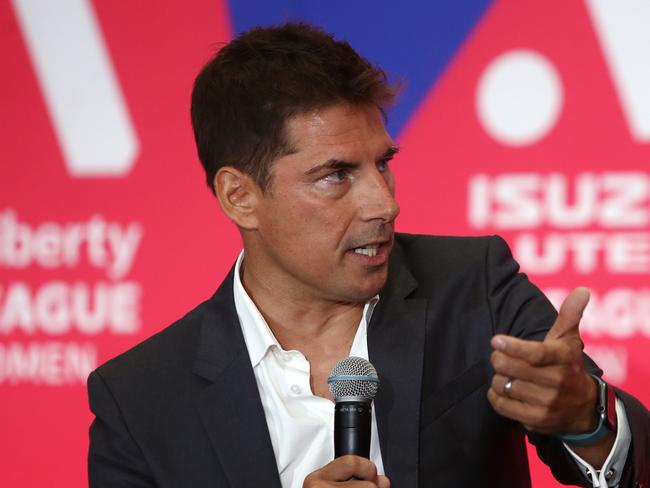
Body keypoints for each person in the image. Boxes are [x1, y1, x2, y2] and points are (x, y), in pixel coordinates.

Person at [87, 23, 649, 487]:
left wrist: (584, 416)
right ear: (241, 197)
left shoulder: (473, 287)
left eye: (382, 163)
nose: (384, 202)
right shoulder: (139, 398)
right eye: (335, 176)